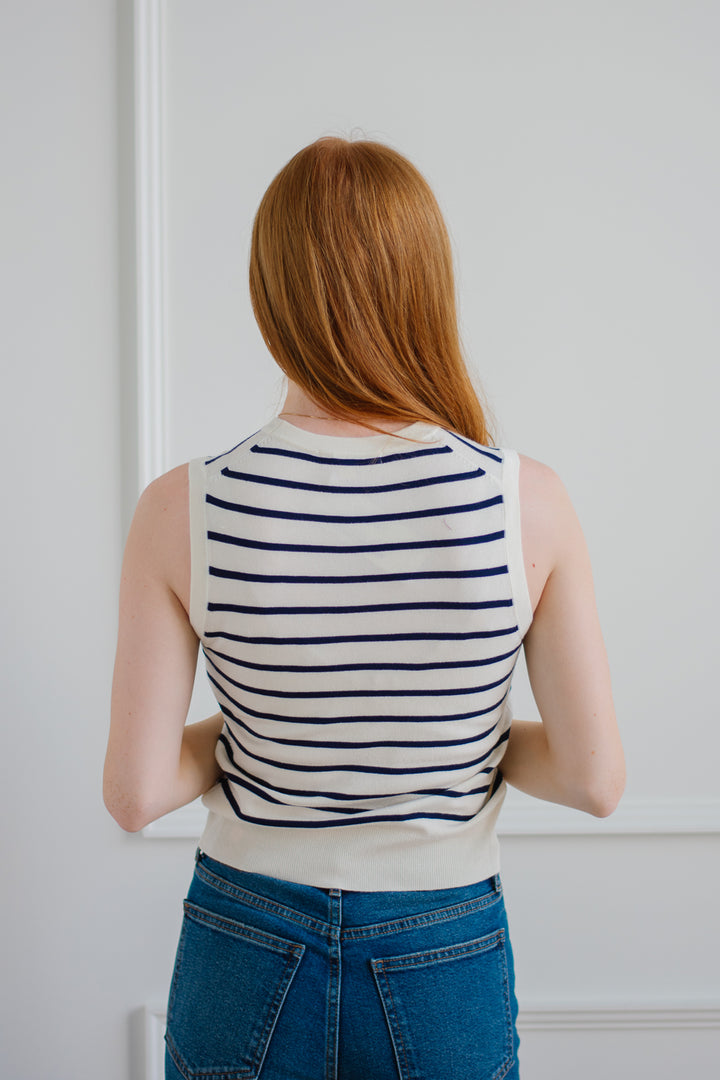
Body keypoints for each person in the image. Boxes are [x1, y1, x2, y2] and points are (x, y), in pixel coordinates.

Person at [104, 136, 625, 1080]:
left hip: (245, 939)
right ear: (426, 286)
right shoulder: (525, 502)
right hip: (445, 947)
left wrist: (278, 719)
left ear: (270, 297)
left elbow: (136, 794)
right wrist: (442, 727)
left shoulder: (183, 507)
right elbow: (596, 780)